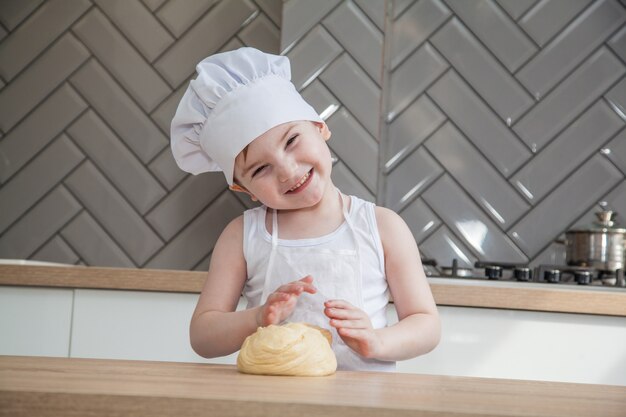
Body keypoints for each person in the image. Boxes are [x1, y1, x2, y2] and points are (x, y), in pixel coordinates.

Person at [171, 47, 440, 371]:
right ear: (243, 189)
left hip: (362, 404)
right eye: (259, 170)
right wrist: (257, 317)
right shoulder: (241, 236)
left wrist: (377, 340)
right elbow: (203, 336)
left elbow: (426, 324)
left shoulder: (381, 226)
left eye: (291, 141)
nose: (286, 170)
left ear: (320, 127)